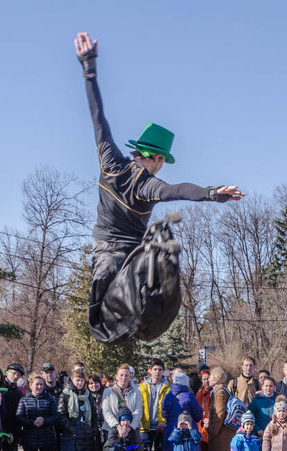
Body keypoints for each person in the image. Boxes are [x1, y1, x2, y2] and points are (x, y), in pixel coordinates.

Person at [74, 31, 244, 344]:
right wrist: (211, 193)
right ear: (157, 159)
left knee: (128, 270)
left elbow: (98, 116)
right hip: (122, 252)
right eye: (162, 161)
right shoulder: (148, 185)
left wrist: (89, 66)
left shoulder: (110, 159)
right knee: (112, 304)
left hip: (113, 251)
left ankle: (129, 318)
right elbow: (178, 190)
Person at [57, 367, 101, 451]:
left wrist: (93, 429)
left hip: (86, 436)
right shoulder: (65, 394)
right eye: (77, 380)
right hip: (71, 436)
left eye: (82, 380)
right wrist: (73, 429)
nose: (80, 383)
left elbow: (94, 415)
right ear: (72, 380)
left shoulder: (88, 396)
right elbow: (61, 415)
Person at [16, 374, 59, 451]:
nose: (39, 387)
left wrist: (45, 421)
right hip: (30, 438)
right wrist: (32, 423)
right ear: (31, 385)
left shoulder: (50, 399)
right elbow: (19, 417)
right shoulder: (24, 400)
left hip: (48, 437)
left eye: (41, 384)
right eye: (37, 384)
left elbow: (56, 416)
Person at [139, 359, 170, 451]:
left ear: (163, 371)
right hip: (144, 426)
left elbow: (168, 407)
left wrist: (163, 421)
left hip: (160, 426)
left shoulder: (167, 387)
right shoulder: (141, 387)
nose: (157, 372)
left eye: (160, 369)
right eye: (155, 369)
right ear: (150, 370)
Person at [207, 367, 237, 451]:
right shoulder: (219, 391)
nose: (208, 379)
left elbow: (219, 413)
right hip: (224, 432)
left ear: (216, 378)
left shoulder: (220, 393)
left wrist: (213, 431)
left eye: (210, 377)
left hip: (223, 433)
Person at [195, 368, 212, 451]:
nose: (206, 381)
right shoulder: (199, 394)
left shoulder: (215, 392)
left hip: (214, 428)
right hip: (203, 429)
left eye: (208, 379)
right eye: (204, 379)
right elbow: (197, 412)